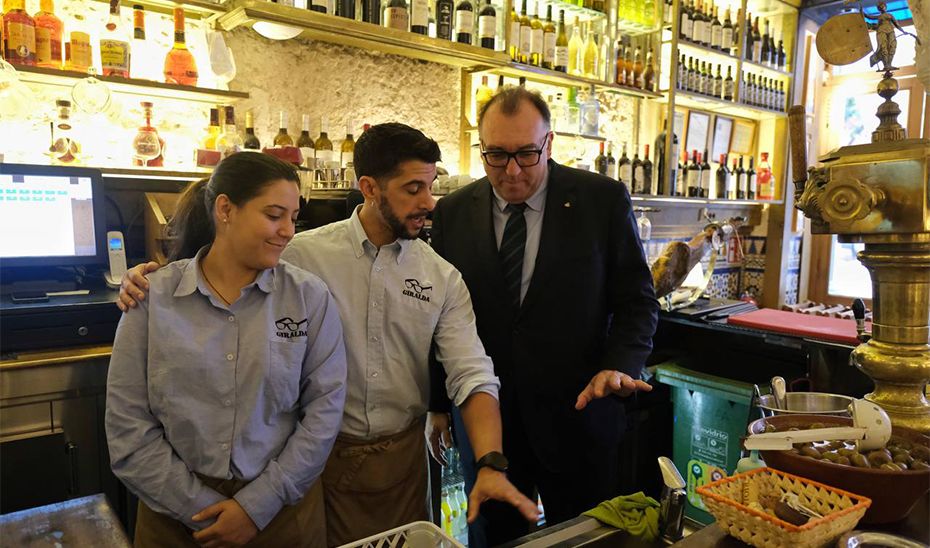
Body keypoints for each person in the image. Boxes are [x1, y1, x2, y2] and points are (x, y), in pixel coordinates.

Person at [117, 124, 539, 547]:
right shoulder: (300, 256)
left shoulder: (440, 277)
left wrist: (490, 463)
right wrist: (151, 279)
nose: (429, 203)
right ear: (369, 187)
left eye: (430, 187)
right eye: (414, 189)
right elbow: (220, 272)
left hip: (400, 462)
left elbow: (472, 372)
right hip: (315, 465)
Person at [427, 86, 659, 547]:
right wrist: (438, 402)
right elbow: (441, 315)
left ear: (549, 144)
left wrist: (619, 366)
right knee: (493, 538)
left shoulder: (601, 200)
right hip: (492, 427)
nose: (511, 170)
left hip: (578, 417)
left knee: (583, 538)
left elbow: (637, 300)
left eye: (526, 154)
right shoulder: (453, 212)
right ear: (481, 147)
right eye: (496, 155)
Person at [105, 152, 348, 548]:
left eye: (292, 217)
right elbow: (127, 426)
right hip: (173, 517)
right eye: (274, 215)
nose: (288, 230)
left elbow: (324, 412)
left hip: (282, 514)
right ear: (225, 209)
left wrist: (256, 507)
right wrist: (202, 511)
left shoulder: (308, 297)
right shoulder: (153, 298)